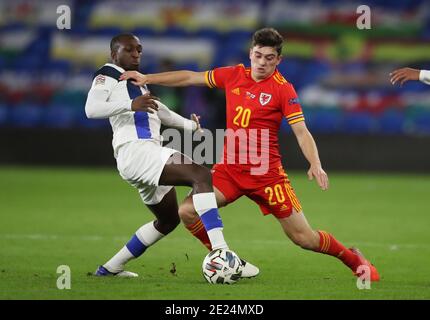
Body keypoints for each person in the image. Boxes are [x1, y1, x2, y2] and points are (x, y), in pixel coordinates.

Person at [120, 28, 380, 282]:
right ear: (250, 53)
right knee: (187, 212)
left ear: (278, 60)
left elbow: (301, 131)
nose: (262, 62)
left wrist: (316, 163)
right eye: (258, 55)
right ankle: (224, 258)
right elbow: (190, 77)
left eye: (269, 58)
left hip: (267, 176)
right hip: (230, 171)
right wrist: (148, 78)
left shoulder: (283, 89)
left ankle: (354, 259)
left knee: (304, 238)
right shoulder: (234, 75)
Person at [84, 33, 258, 278]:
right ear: (114, 54)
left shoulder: (135, 82)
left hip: (141, 157)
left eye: (139, 50)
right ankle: (221, 251)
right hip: (138, 151)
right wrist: (130, 106)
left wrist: (190, 125)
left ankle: (110, 268)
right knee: (200, 175)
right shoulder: (108, 74)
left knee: (167, 221)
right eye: (129, 50)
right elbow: (91, 109)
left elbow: (158, 109)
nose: (136, 54)